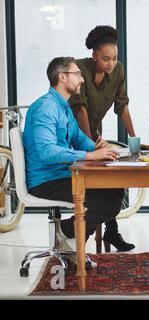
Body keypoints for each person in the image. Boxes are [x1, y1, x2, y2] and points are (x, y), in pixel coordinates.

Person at [23, 57, 124, 267]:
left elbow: (77, 137)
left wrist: (95, 147)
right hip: (46, 181)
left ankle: (70, 243)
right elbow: (46, 150)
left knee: (115, 189)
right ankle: (66, 232)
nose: (82, 80)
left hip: (62, 173)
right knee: (109, 203)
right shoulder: (46, 108)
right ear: (62, 77)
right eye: (77, 74)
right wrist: (89, 157)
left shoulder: (63, 106)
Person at [69, 25, 137, 252]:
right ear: (94, 55)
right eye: (105, 58)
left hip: (93, 133)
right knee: (94, 182)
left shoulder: (118, 71)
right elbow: (80, 109)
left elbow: (122, 105)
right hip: (73, 134)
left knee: (112, 176)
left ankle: (110, 231)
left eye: (115, 58)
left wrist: (135, 138)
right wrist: (90, 145)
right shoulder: (79, 69)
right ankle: (79, 235)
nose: (111, 63)